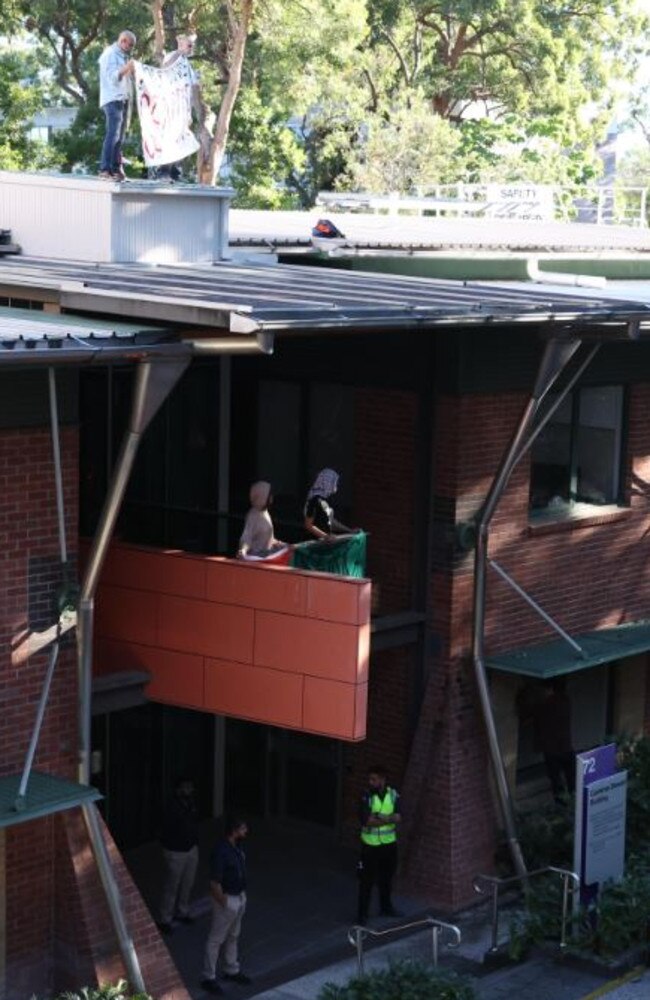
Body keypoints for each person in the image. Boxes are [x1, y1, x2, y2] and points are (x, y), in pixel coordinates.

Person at [201, 817, 252, 995]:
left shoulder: (236, 847)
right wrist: (225, 903)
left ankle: (231, 969)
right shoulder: (221, 851)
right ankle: (209, 977)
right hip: (228, 900)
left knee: (233, 935)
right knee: (216, 939)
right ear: (234, 830)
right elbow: (214, 883)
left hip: (239, 897)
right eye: (243, 828)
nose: (246, 832)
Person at [358, 766, 402, 924]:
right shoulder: (366, 796)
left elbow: (398, 817)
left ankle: (386, 907)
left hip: (389, 844)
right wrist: (387, 819)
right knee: (366, 881)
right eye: (370, 779)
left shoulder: (393, 794)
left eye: (374, 779)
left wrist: (379, 816)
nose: (370, 782)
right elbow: (366, 821)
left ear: (383, 779)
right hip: (370, 845)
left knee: (387, 879)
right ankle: (362, 915)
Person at [154, 34, 201, 182]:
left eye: (193, 45)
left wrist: (192, 111)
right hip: (171, 106)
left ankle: (175, 170)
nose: (191, 48)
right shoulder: (173, 56)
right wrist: (180, 52)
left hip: (183, 108)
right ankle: (163, 171)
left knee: (181, 139)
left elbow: (192, 88)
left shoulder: (187, 64)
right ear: (181, 44)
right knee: (169, 137)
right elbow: (165, 69)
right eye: (189, 45)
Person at [157, 776, 199, 934]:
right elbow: (165, 828)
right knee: (172, 886)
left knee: (188, 883)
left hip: (191, 849)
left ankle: (183, 911)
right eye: (186, 787)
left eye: (190, 787)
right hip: (175, 851)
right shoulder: (171, 807)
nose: (189, 790)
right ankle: (165, 918)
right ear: (178, 789)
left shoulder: (191, 803)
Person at [98, 31, 136, 180]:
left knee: (120, 137)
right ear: (123, 41)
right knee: (113, 134)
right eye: (130, 45)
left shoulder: (121, 55)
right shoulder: (110, 54)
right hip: (113, 99)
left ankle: (115, 169)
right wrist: (128, 67)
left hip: (123, 99)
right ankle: (104, 169)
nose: (130, 48)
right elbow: (113, 77)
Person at [531, 677, 575, 803]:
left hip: (552, 751)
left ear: (548, 689)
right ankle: (574, 802)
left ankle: (562, 805)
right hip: (566, 747)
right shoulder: (565, 701)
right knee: (571, 778)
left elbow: (532, 718)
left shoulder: (543, 706)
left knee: (556, 781)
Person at [237, 481, 286, 559]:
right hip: (257, 558)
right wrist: (243, 550)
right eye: (269, 495)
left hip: (267, 554)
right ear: (262, 496)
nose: (272, 497)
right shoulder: (253, 516)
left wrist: (279, 543)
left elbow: (267, 537)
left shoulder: (265, 512)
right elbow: (246, 537)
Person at [303, 468, 355, 540]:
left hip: (325, 544)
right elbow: (308, 525)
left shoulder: (325, 501)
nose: (335, 485)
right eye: (334, 482)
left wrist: (350, 531)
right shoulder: (314, 500)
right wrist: (326, 536)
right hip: (313, 545)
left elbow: (331, 522)